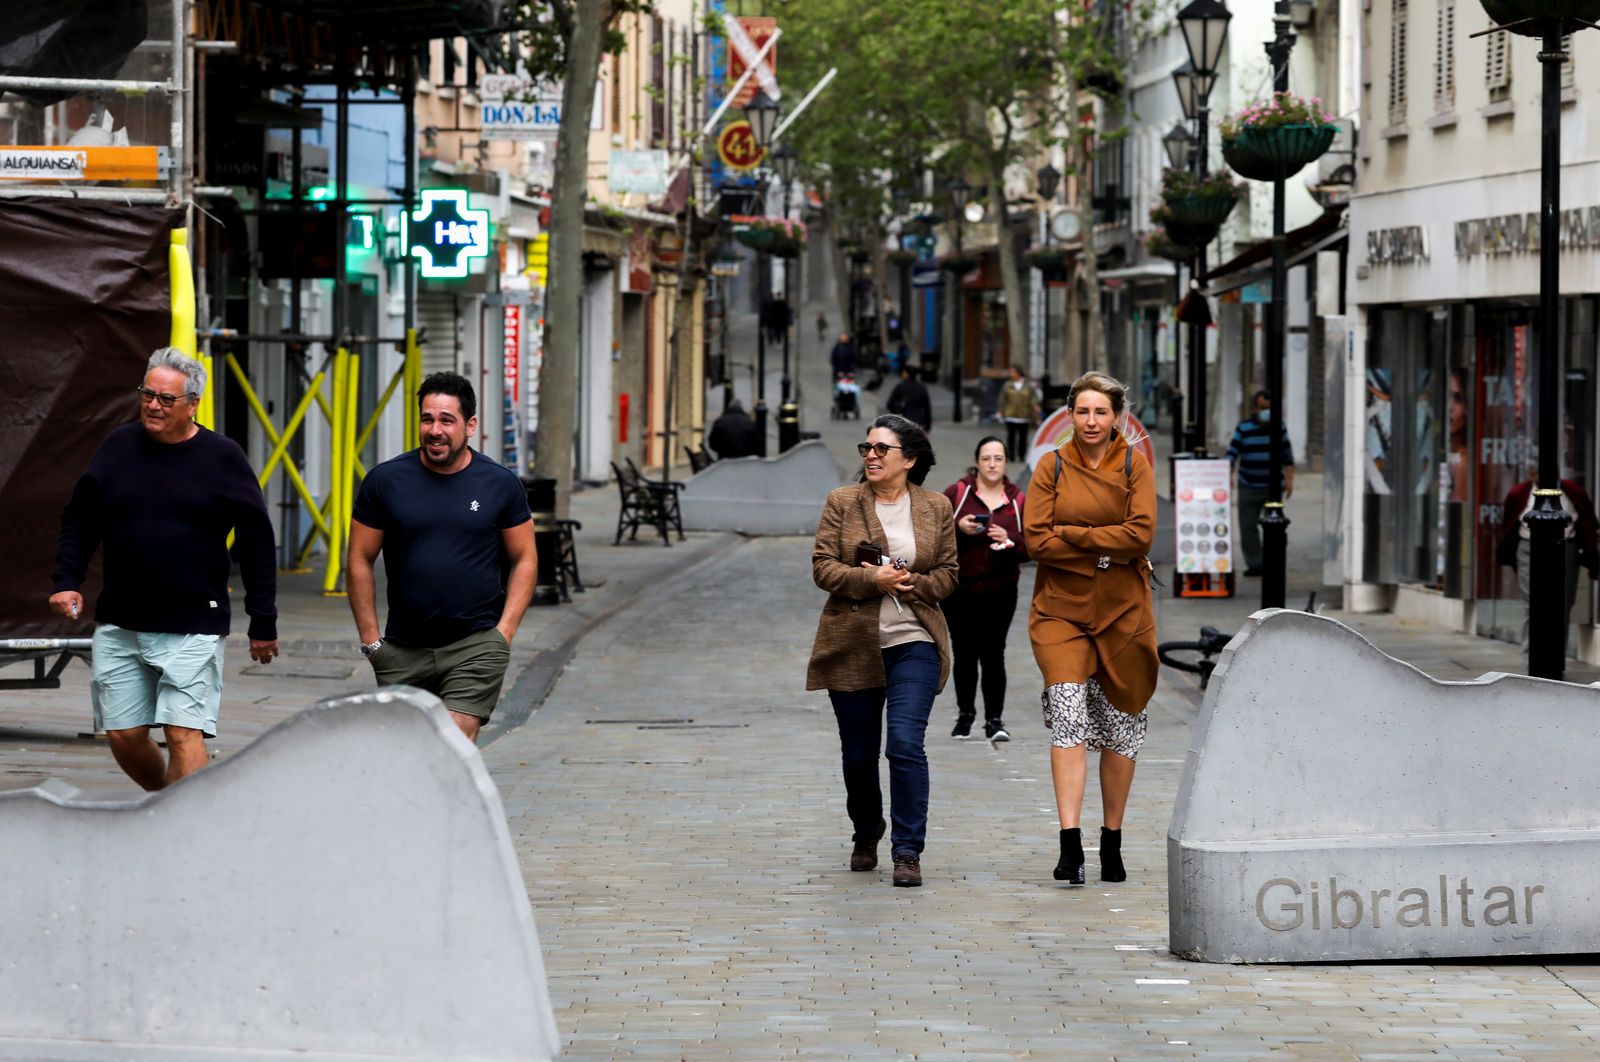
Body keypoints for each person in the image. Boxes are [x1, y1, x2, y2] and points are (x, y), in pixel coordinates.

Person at [49, 348, 280, 790]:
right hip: (122, 621)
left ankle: (181, 832)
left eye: (166, 399)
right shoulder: (118, 446)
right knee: (124, 734)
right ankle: (165, 808)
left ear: (193, 403)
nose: (153, 406)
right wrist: (67, 580)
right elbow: (81, 516)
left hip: (193, 622)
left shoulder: (223, 457)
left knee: (181, 731)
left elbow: (256, 542)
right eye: (147, 395)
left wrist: (262, 620)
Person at [807, 414, 958, 888]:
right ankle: (867, 828)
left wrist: (914, 583)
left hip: (915, 639)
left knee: (905, 745)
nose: (870, 455)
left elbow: (950, 575)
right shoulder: (843, 502)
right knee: (858, 756)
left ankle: (908, 850)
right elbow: (823, 568)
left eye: (881, 449)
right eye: (866, 448)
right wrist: (872, 578)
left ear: (908, 459)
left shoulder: (936, 507)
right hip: (853, 641)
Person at [347, 372, 537, 744]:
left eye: (446, 420)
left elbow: (525, 559)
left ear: (470, 426)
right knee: (406, 759)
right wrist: (372, 644)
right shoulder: (385, 482)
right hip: (402, 649)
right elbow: (358, 559)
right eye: (427, 418)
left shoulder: (499, 484)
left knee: (450, 747)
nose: (435, 430)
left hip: (475, 645)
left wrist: (504, 634)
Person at [1023, 371, 1157, 886]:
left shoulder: (1134, 466)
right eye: (1082, 411)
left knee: (1123, 727)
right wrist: (1104, 546)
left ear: (1116, 415)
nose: (1091, 421)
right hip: (1060, 610)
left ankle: (1112, 841)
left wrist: (1074, 536)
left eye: (1101, 412)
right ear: (1070, 415)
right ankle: (1069, 844)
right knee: (1068, 715)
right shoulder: (1051, 467)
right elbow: (1037, 540)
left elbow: (1141, 534)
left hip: (1125, 611)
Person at [941, 437, 1029, 743]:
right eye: (987, 458)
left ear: (1005, 463)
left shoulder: (1018, 500)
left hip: (1001, 589)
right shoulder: (958, 493)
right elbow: (932, 534)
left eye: (998, 459)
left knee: (994, 654)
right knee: (964, 653)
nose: (992, 464)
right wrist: (958, 529)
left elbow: (1031, 548)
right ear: (977, 462)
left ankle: (994, 719)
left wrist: (1010, 540)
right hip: (959, 589)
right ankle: (965, 715)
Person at [1496, 469, 1600, 651]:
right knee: (1533, 599)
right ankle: (1532, 649)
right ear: (1531, 475)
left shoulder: (1572, 490)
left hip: (1566, 545)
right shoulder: (1520, 492)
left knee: (1563, 601)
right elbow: (1508, 521)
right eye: (1537, 474)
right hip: (1528, 545)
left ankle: (1557, 650)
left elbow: (1588, 518)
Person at [1225, 390, 1295, 577]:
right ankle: (1255, 564)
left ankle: (1272, 561)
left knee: (1275, 526)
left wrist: (1289, 479)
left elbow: (1287, 455)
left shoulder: (1278, 427)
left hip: (1272, 487)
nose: (1267, 412)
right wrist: (1227, 474)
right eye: (1263, 408)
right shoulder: (1244, 428)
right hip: (1248, 484)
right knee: (1248, 527)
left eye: (1270, 408)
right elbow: (1232, 452)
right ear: (1256, 408)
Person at [999, 364, 1040, 462]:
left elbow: (1033, 399)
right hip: (1010, 414)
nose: (1011, 374)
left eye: (1012, 372)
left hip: (1024, 415)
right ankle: (1011, 455)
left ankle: (1022, 455)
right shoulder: (1007, 385)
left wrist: (1035, 408)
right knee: (1011, 436)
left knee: (1023, 437)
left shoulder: (1028, 386)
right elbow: (1002, 399)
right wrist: (1001, 411)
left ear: (1018, 373)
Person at [885, 364, 933, 430]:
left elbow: (890, 404)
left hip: (902, 420)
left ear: (906, 374)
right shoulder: (921, 387)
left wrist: (897, 412)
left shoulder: (900, 386)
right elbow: (927, 408)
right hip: (917, 421)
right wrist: (928, 425)